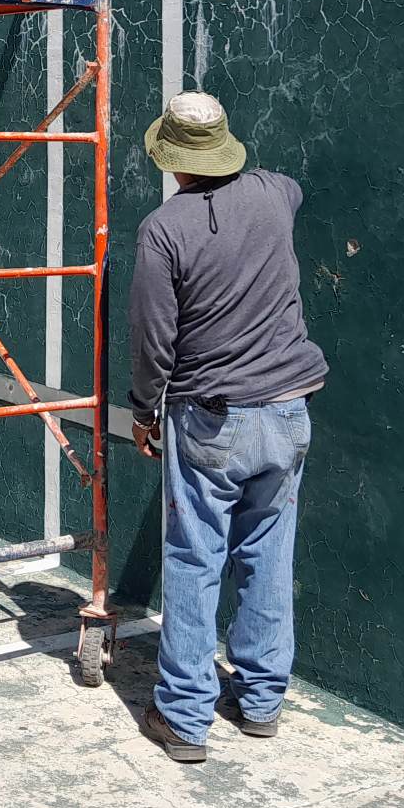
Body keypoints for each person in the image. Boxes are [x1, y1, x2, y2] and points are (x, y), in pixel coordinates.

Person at [127, 92, 330, 763]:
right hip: (289, 410)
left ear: (172, 159)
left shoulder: (164, 229)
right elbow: (291, 187)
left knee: (194, 558)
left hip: (210, 418)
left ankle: (185, 719)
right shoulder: (274, 195)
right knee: (270, 555)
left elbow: (154, 338)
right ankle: (261, 702)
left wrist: (143, 408)